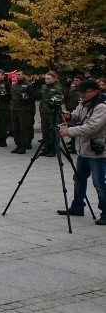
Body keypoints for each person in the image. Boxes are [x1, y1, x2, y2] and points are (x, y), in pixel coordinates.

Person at [57, 79, 106, 225]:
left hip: (97, 151)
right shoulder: (83, 103)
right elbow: (78, 116)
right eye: (80, 92)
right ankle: (77, 206)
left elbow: (92, 127)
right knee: (79, 180)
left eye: (85, 92)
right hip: (82, 149)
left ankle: (105, 212)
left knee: (99, 183)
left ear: (96, 91)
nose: (82, 94)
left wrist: (68, 132)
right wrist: (69, 116)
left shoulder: (102, 107)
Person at [37, 71, 65, 157]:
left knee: (53, 131)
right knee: (45, 131)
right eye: (45, 78)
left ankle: (54, 149)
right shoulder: (44, 87)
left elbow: (61, 99)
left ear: (54, 79)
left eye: (48, 78)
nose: (46, 80)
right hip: (44, 111)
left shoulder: (58, 88)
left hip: (53, 113)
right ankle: (47, 147)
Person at [11, 71, 37, 154]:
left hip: (24, 110)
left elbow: (33, 97)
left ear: (23, 75)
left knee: (23, 129)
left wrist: (26, 98)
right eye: (17, 75)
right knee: (16, 128)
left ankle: (23, 146)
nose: (18, 76)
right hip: (15, 109)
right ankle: (17, 144)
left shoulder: (28, 85)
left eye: (19, 75)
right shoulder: (14, 86)